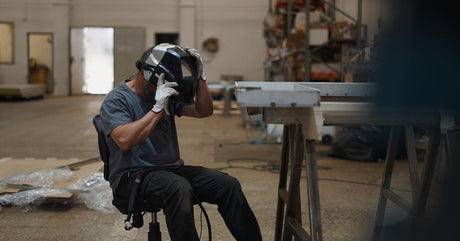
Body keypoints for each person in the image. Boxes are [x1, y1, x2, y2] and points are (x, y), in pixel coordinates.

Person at [99, 43, 262, 241]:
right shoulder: (117, 99)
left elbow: (204, 110)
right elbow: (125, 140)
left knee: (228, 185)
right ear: (144, 73)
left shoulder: (163, 92)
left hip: (170, 171)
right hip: (133, 176)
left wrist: (200, 77)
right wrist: (157, 108)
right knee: (178, 188)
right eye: (155, 85)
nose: (158, 90)